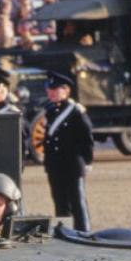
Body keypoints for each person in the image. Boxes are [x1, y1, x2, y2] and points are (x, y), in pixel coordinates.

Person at [41, 71, 93, 232]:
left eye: (56, 89)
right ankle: (65, 233)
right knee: (60, 202)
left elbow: (87, 138)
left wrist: (87, 161)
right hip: (55, 165)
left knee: (78, 202)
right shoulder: (50, 110)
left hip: (72, 165)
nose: (51, 93)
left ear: (66, 91)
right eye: (50, 89)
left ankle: (84, 233)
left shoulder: (76, 111)